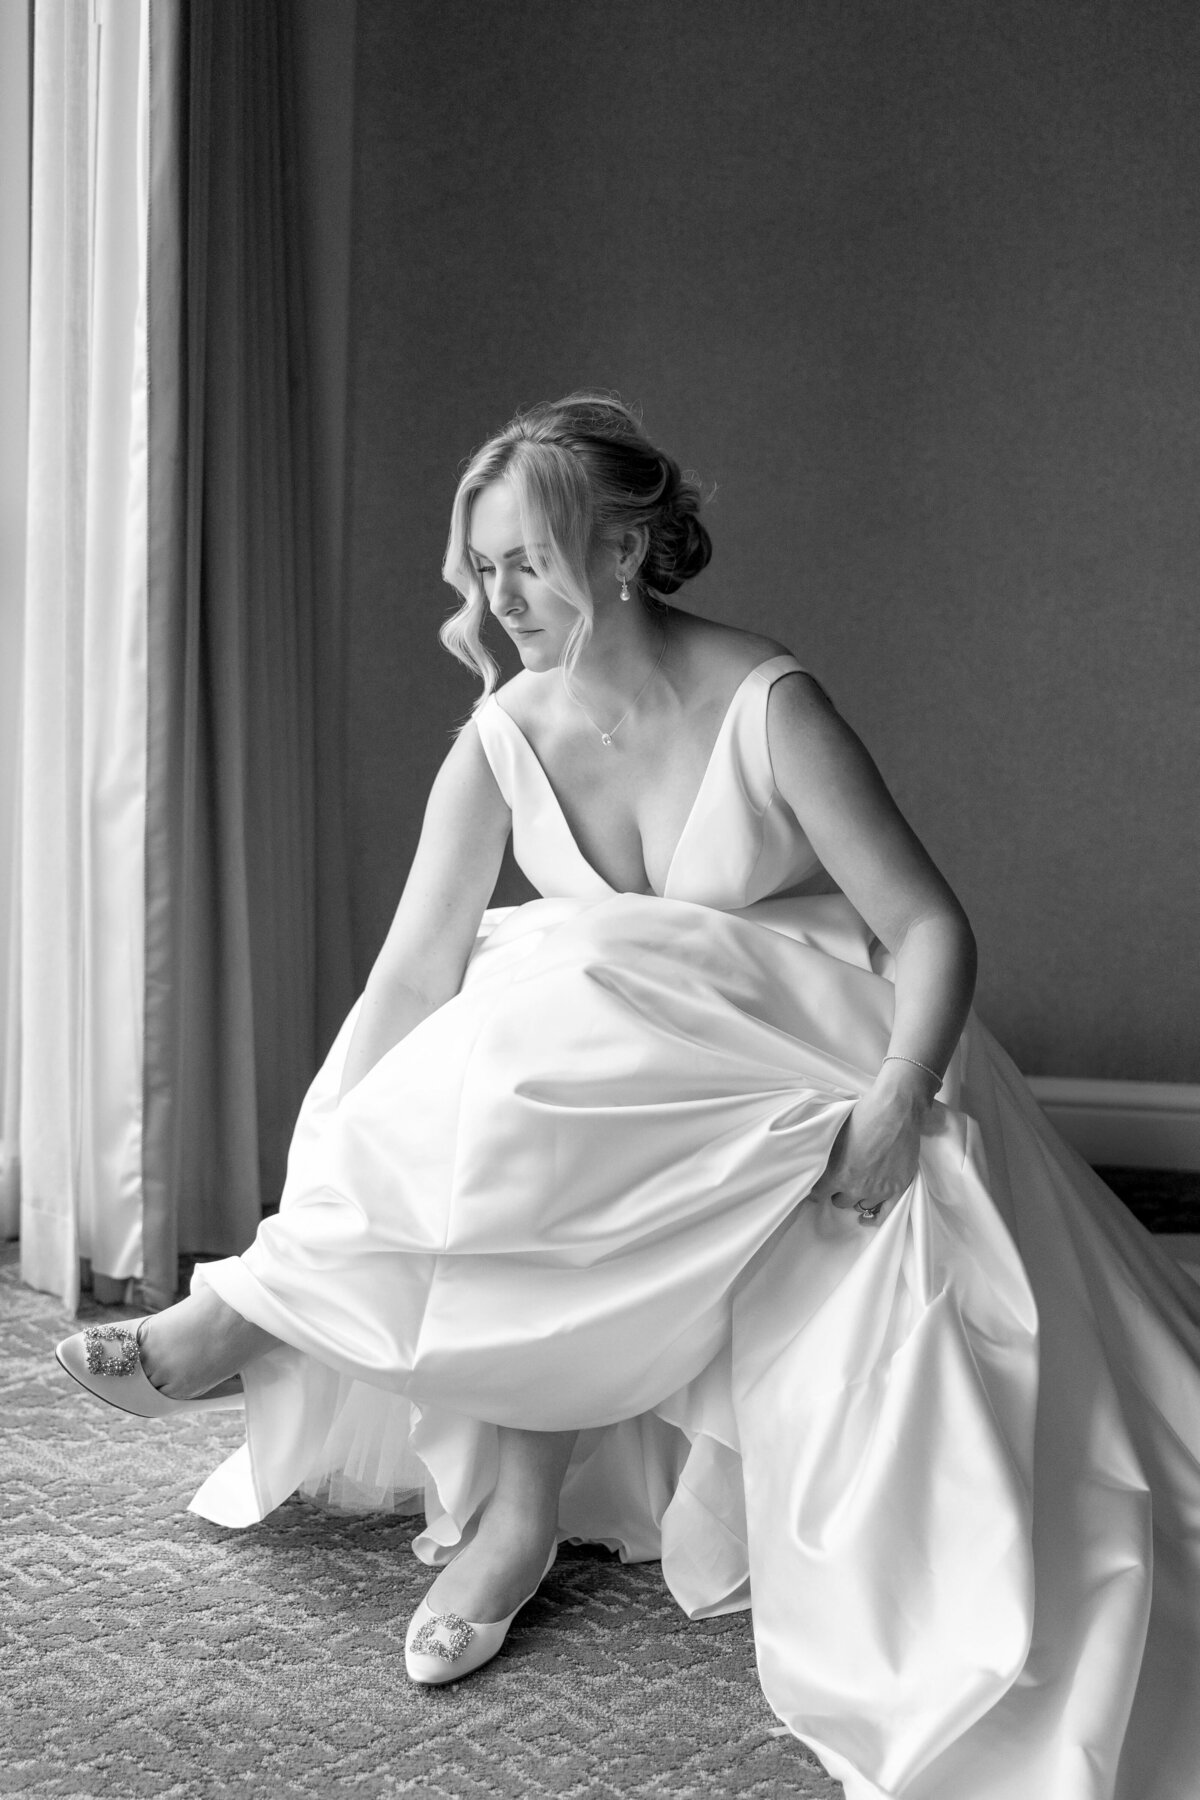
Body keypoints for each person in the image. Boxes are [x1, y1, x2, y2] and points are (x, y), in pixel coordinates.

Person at [57, 394, 1200, 1799]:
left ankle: (312, 1356)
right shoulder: (501, 734)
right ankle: (500, 1503)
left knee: (580, 969)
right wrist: (335, 1157)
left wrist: (902, 1099)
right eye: (479, 568)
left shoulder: (770, 705)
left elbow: (930, 930)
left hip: (805, 1031)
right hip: (609, 1065)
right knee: (531, 1026)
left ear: (622, 550)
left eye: (524, 560)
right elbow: (411, 974)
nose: (497, 597)